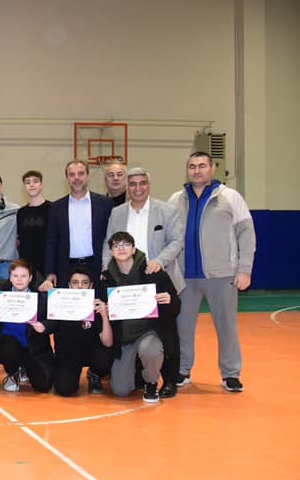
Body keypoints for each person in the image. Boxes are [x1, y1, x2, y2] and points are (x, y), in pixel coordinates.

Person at [167, 151, 256, 392]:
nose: (197, 170)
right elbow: (167, 235)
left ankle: (230, 374)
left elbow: (247, 234)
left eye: (202, 166)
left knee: (227, 327)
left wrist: (244, 270)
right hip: (185, 276)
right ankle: (183, 370)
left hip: (222, 275)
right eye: (192, 166)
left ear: (212, 168)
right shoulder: (176, 199)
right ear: (187, 170)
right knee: (182, 327)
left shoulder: (230, 197)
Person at [99, 232, 181, 402]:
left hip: (148, 333)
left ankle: (151, 383)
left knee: (151, 350)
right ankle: (139, 376)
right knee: (120, 390)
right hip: (124, 338)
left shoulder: (153, 272)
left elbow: (176, 307)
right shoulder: (106, 279)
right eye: (116, 245)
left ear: (134, 249)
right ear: (111, 252)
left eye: (126, 244)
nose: (121, 248)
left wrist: (169, 299)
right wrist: (104, 310)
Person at [0, 259, 55, 393]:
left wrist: (44, 326)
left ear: (30, 278)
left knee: (43, 386)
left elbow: (53, 321)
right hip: (9, 344)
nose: (19, 280)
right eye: (15, 276)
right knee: (8, 349)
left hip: (33, 348)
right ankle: (12, 372)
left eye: (23, 276)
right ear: (10, 277)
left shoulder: (40, 297)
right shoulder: (2, 290)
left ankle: (25, 368)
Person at [44, 160, 114, 289]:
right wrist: (50, 272)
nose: (76, 178)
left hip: (97, 267)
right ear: (67, 179)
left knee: (98, 302)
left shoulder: (105, 203)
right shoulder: (56, 207)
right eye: (72, 174)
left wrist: (109, 266)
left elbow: (111, 237)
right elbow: (51, 241)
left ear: (87, 176)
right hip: (66, 268)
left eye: (81, 173)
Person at [50, 268, 114, 397]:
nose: (79, 286)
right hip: (68, 354)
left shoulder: (97, 306)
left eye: (84, 283)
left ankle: (95, 374)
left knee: (106, 357)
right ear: (69, 286)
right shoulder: (58, 303)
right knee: (65, 389)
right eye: (75, 282)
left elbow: (108, 343)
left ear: (91, 286)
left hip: (92, 352)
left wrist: (104, 316)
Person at [16, 170, 51, 279]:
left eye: (35, 181)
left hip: (47, 265)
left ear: (41, 185)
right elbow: (19, 240)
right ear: (24, 187)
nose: (32, 185)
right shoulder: (21, 212)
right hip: (27, 266)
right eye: (28, 182)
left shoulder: (52, 208)